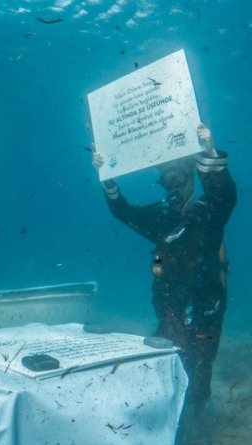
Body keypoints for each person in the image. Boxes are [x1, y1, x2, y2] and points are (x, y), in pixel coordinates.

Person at [92, 124, 236, 424]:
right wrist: (107, 177)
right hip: (170, 307)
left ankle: (197, 418)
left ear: (192, 176)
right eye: (167, 178)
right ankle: (170, 421)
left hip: (207, 307)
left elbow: (224, 193)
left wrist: (209, 152)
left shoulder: (209, 210)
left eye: (180, 176)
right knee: (167, 362)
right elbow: (123, 211)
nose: (174, 184)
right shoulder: (160, 216)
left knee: (200, 363)